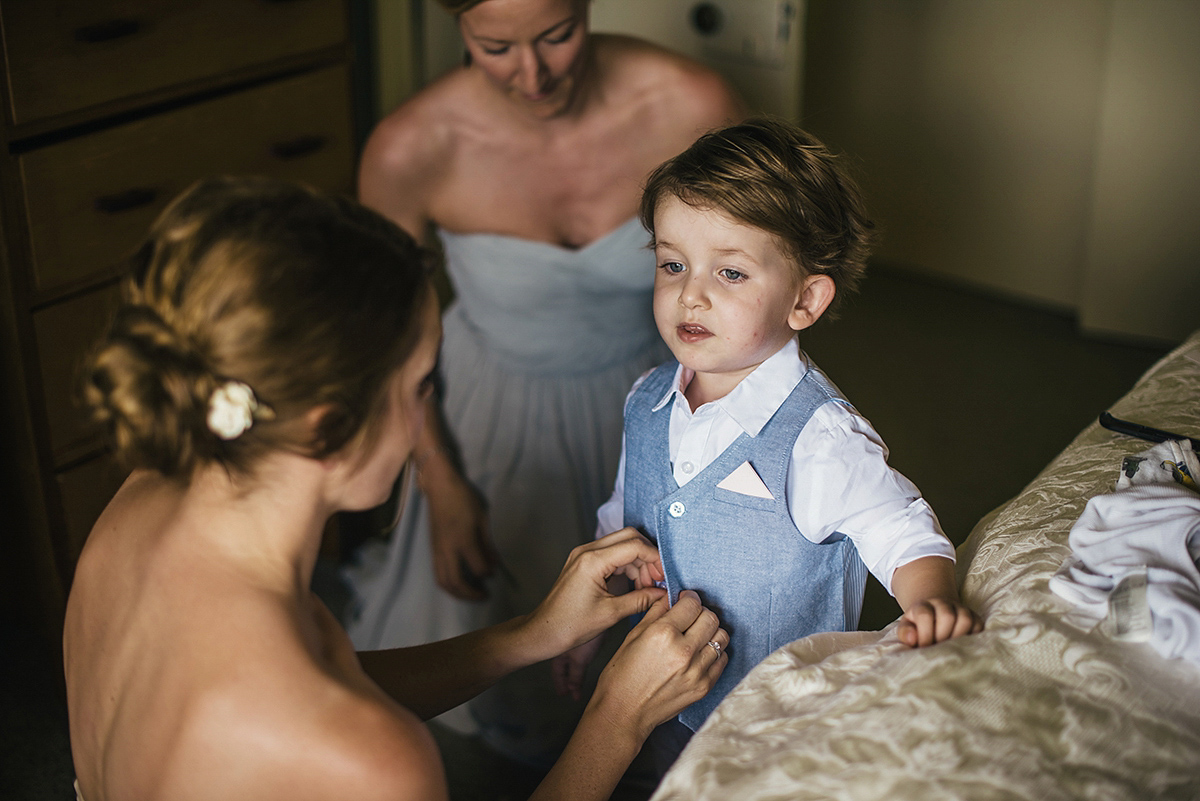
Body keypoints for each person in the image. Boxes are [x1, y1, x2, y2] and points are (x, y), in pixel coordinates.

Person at [63, 177, 730, 801]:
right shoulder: (371, 759)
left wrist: (530, 635)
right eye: (419, 386)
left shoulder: (148, 496)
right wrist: (618, 715)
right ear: (329, 431)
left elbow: (329, 676)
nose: (426, 415)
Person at [344, 0, 745, 764]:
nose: (532, 74)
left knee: (676, 616)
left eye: (557, 35)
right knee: (501, 618)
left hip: (649, 394)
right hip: (489, 404)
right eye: (495, 46)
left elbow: (747, 276)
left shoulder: (691, 104)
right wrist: (441, 483)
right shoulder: (409, 147)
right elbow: (387, 341)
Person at [554, 118, 985, 771]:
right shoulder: (647, 399)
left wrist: (928, 600)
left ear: (805, 299)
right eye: (672, 263)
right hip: (651, 704)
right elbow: (623, 512)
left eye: (730, 273)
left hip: (773, 731)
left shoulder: (820, 438)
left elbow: (899, 528)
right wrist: (588, 623)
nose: (689, 293)